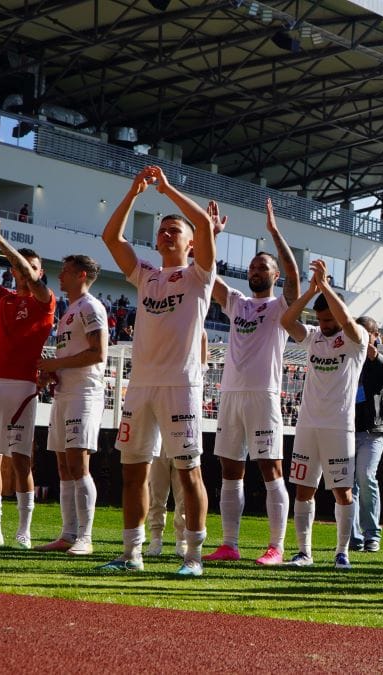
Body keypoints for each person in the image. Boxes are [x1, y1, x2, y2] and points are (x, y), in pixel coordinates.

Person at [97, 165, 216, 576]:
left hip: (180, 387)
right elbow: (111, 238)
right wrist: (133, 193)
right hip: (141, 388)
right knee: (134, 473)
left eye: (174, 230)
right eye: (162, 229)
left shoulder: (200, 274)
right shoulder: (146, 274)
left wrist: (167, 190)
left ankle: (194, 558)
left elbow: (202, 222)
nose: (166, 233)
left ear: (191, 243)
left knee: (188, 472)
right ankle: (132, 554)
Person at [201, 198, 299, 566]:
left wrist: (275, 234)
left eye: (264, 267)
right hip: (230, 395)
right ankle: (229, 544)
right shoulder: (238, 302)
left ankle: (276, 546)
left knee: (271, 469)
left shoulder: (280, 308)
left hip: (263, 396)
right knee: (230, 468)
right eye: (254, 266)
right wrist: (209, 235)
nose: (257, 270)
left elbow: (295, 279)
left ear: (275, 276)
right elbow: (207, 273)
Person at [0, 207, 56, 549]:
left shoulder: (46, 301)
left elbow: (33, 283)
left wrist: (0, 238)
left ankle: (24, 531)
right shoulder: (3, 298)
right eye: (19, 267)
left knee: (21, 460)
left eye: (30, 267)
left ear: (39, 272)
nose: (23, 271)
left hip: (22, 385)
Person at [279, 260, 367, 570]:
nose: (325, 324)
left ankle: (342, 552)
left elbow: (345, 319)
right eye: (321, 319)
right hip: (308, 424)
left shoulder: (356, 340)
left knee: (342, 491)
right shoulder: (314, 336)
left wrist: (327, 288)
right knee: (304, 488)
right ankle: (304, 552)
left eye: (329, 319)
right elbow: (287, 320)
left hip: (338, 426)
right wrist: (312, 291)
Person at [31, 255, 107, 555]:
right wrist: (53, 373)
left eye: (65, 271)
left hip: (84, 394)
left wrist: (56, 362)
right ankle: (67, 534)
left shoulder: (91, 307)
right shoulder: (70, 311)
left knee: (78, 462)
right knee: (63, 465)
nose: (59, 276)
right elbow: (75, 354)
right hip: (65, 393)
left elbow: (98, 353)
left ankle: (85, 538)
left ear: (82, 275)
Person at [350, 315, 383, 553]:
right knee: (348, 483)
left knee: (366, 477)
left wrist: (374, 356)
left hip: (374, 429)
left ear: (375, 335)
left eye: (366, 332)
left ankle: (372, 534)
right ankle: (352, 536)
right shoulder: (349, 356)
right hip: (348, 427)